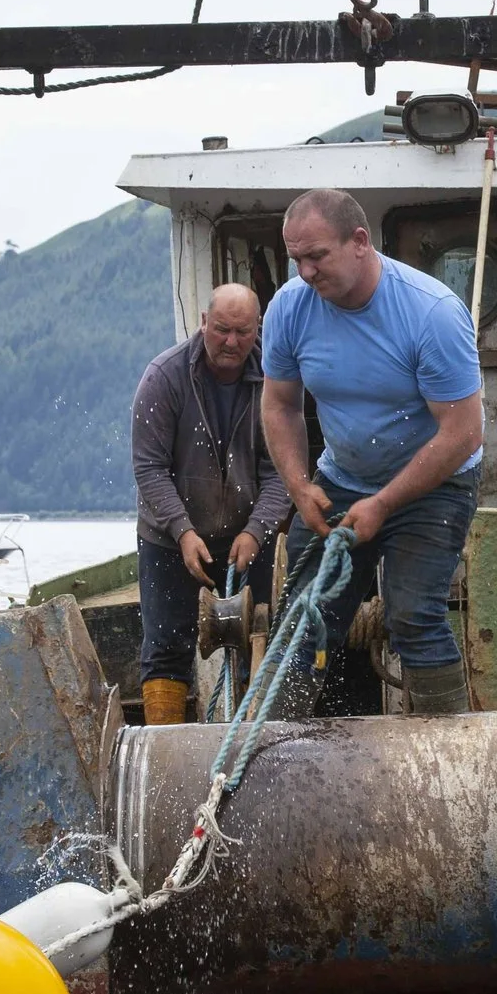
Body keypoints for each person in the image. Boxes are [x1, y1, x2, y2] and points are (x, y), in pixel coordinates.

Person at [261, 187, 483, 716]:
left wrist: (383, 505)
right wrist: (298, 484)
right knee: (302, 616)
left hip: (435, 482)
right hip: (342, 478)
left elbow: (462, 434)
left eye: (317, 256)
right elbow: (280, 406)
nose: (307, 273)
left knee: (412, 616)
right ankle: (268, 748)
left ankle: (452, 759)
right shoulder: (290, 308)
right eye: (297, 260)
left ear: (360, 242)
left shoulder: (432, 314)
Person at [130, 283, 292, 724]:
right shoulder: (164, 377)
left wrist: (257, 530)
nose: (231, 342)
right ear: (203, 323)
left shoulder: (275, 381)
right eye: (221, 329)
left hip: (247, 537)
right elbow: (149, 469)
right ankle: (164, 752)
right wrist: (182, 531)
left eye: (243, 332)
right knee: (165, 646)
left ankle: (257, 744)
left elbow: (281, 471)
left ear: (257, 330)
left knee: (262, 634)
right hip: (168, 537)